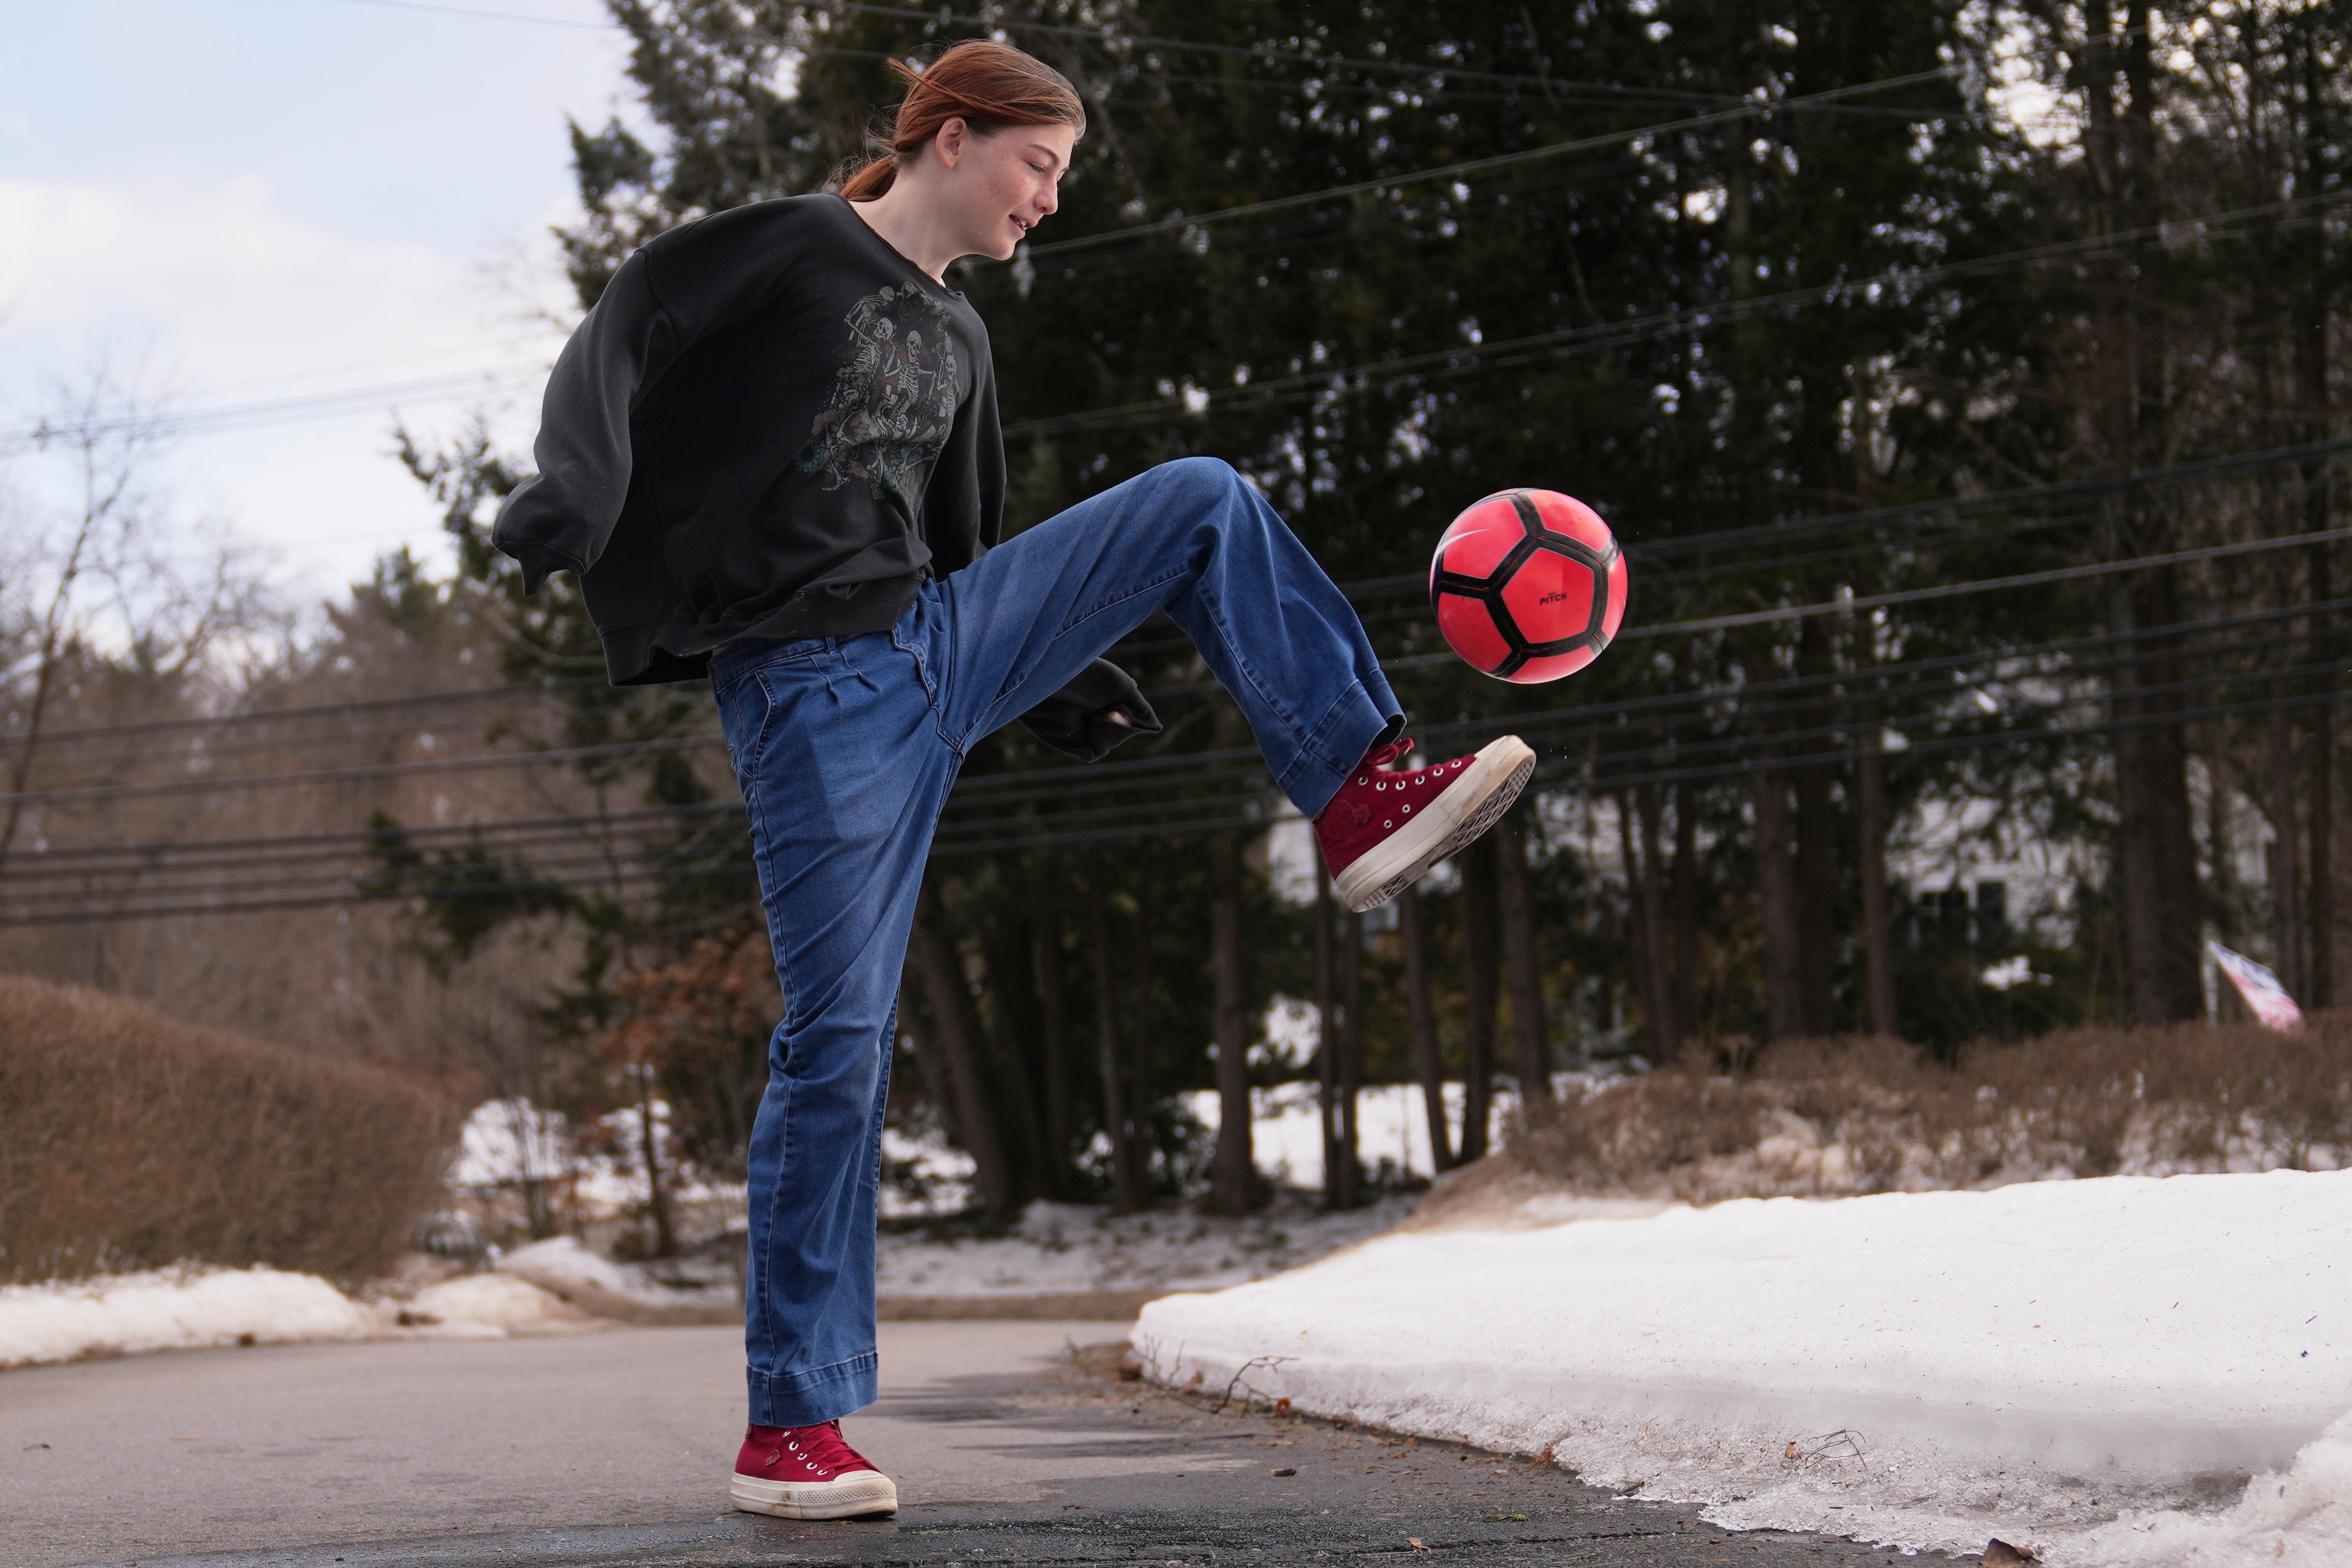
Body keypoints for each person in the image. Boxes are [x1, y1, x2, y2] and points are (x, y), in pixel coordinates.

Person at [493, 39, 1533, 1524]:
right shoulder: (796, 244)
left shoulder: (965, 343)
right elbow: (630, 322)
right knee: (839, 1048)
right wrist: (578, 487)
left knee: (1201, 496)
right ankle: (791, 1427)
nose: (1050, 199)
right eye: (1039, 165)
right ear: (955, 136)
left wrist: (1059, 682)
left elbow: (967, 547)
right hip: (812, 694)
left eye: (1062, 177)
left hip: (936, 644)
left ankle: (1363, 785)